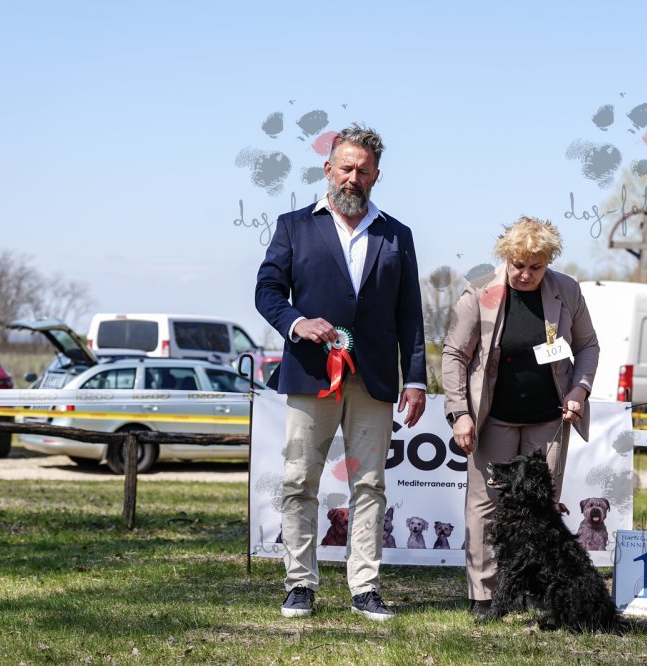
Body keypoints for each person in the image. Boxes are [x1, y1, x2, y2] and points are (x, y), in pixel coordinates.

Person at [255, 125, 426, 621]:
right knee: (299, 481)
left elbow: (410, 315)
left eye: (363, 171)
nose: (353, 178)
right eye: (345, 168)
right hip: (311, 374)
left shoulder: (397, 234)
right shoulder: (293, 226)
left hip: (374, 380)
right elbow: (267, 291)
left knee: (370, 485)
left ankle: (365, 587)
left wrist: (415, 379)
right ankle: (299, 584)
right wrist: (297, 323)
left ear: (376, 176)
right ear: (328, 170)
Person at [441, 216, 600, 619]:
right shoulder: (479, 288)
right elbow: (455, 354)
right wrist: (459, 412)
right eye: (518, 265)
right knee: (486, 505)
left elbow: (588, 346)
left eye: (536, 267)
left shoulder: (567, 290)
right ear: (505, 257)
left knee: (540, 508)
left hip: (548, 419)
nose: (525, 274)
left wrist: (579, 390)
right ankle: (483, 595)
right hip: (493, 417)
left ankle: (534, 590)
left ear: (548, 263)